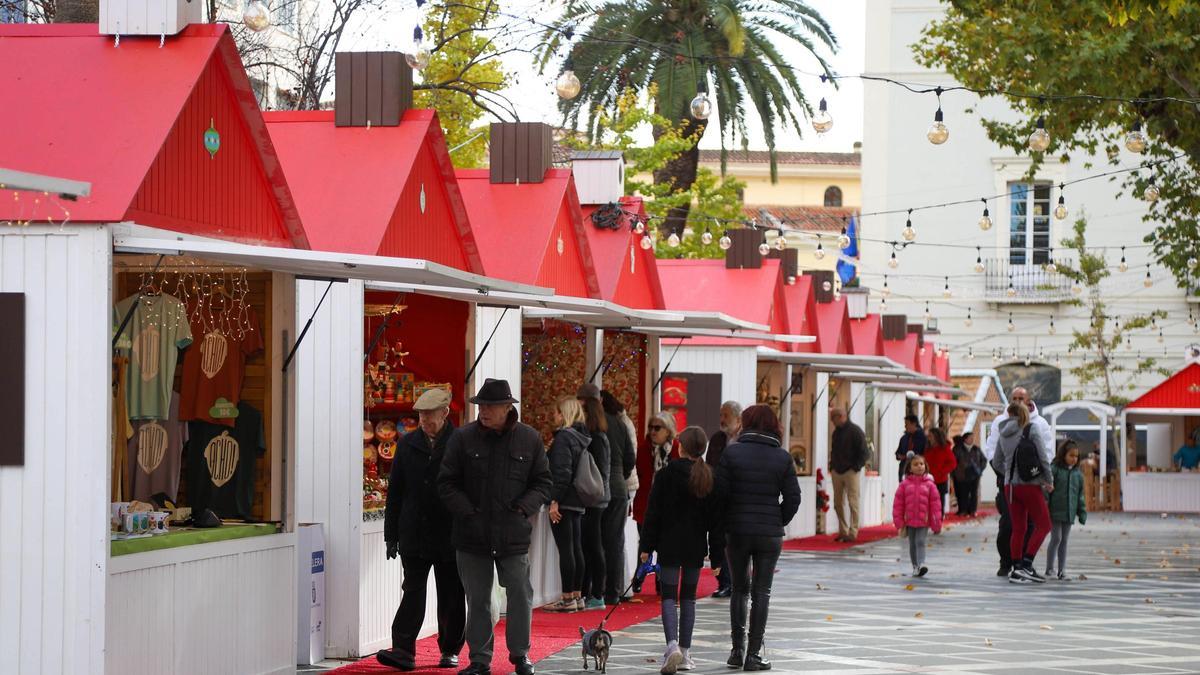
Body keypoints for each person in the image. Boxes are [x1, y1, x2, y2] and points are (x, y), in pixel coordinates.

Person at [437, 379, 551, 675]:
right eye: (481, 406)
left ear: (506, 408)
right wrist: (468, 513)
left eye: (489, 406)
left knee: (520, 595)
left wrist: (523, 508)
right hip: (471, 535)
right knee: (478, 600)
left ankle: (520, 655)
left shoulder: (529, 439)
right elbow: (446, 483)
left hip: (513, 533)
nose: (483, 411)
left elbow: (543, 482)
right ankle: (479, 660)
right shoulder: (463, 439)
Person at [379, 389, 465, 671]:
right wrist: (391, 535)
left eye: (430, 415)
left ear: (444, 413)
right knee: (412, 590)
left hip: (450, 532)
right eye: (421, 415)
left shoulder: (460, 443)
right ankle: (403, 649)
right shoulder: (407, 445)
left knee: (451, 593)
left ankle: (450, 648)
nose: (425, 420)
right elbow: (396, 493)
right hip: (414, 530)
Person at [717, 405, 802, 672]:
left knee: (739, 589)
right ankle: (754, 654)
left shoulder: (731, 453)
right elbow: (793, 498)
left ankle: (736, 650)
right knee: (761, 591)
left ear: (746, 423)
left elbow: (720, 493)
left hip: (738, 531)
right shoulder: (782, 457)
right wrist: (778, 519)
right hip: (768, 533)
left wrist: (729, 520)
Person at [640, 427, 726, 674]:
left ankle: (672, 646)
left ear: (681, 447)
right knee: (688, 598)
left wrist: (646, 547)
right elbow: (717, 523)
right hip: (695, 547)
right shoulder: (710, 477)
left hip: (668, 544)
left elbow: (653, 513)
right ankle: (686, 654)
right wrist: (717, 556)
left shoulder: (666, 475)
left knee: (668, 597)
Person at [984, 387, 1053, 576]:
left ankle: (1018, 566)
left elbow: (996, 458)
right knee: (1040, 525)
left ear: (1027, 399)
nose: (1017, 400)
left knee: (1020, 526)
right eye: (1014, 398)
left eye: (1020, 398)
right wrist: (1047, 479)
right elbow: (1044, 456)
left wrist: (1007, 473)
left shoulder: (1008, 427)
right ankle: (1024, 563)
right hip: (1028, 484)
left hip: (1010, 484)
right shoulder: (1029, 426)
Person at [543, 397, 592, 613]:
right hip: (577, 498)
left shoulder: (564, 437)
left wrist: (554, 500)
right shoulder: (581, 436)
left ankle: (567, 597)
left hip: (564, 498)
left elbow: (562, 472)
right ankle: (577, 595)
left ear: (564, 414)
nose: (553, 416)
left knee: (567, 549)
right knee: (575, 547)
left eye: (556, 412)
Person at [599, 390, 637, 606]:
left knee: (599, 541)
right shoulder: (621, 423)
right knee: (615, 541)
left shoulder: (596, 425)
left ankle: (601, 589)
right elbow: (630, 457)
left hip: (602, 489)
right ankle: (614, 591)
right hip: (620, 488)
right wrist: (620, 477)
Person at [576, 385, 612, 610]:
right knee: (591, 545)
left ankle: (597, 592)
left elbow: (597, 471)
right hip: (597, 497)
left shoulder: (595, 439)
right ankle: (592, 591)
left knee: (592, 545)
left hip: (593, 498)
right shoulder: (599, 436)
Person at [707, 400, 742, 597]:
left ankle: (733, 582)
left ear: (738, 418)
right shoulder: (717, 439)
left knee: (735, 542)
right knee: (718, 541)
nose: (721, 419)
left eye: (725, 415)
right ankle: (723, 582)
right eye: (721, 415)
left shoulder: (745, 438)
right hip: (718, 496)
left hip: (738, 497)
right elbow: (710, 465)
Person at [892, 455, 943, 577]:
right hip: (909, 520)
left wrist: (936, 521)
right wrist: (899, 520)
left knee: (920, 541)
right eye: (916, 464)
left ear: (925, 467)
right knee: (912, 544)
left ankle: (921, 564)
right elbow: (898, 504)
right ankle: (915, 566)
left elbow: (935, 505)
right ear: (909, 468)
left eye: (921, 464)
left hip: (923, 521)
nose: (919, 466)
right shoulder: (904, 485)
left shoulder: (930, 485)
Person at [1046, 440, 1087, 580]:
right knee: (1056, 538)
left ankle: (1062, 570)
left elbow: (1080, 495)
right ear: (1063, 454)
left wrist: (1082, 512)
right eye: (1071, 455)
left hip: (1069, 513)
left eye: (1076, 456)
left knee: (1064, 540)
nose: (1074, 459)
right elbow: (1047, 491)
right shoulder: (1055, 470)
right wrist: (1045, 507)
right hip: (1055, 511)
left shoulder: (1078, 475)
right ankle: (1050, 568)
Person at [829, 407, 869, 543]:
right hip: (837, 470)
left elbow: (864, 452)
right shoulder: (836, 433)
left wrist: (856, 467)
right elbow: (833, 450)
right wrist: (832, 465)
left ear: (841, 416)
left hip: (851, 471)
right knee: (838, 503)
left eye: (832, 419)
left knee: (853, 502)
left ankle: (853, 531)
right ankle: (843, 530)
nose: (831, 422)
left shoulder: (855, 431)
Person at [633, 411, 678, 524]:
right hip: (646, 508)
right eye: (650, 427)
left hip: (671, 509)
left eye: (657, 428)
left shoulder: (679, 450)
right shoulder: (643, 450)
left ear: (668, 431)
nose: (652, 431)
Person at [923, 427, 957, 518]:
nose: (929, 438)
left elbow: (952, 463)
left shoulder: (945, 449)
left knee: (939, 501)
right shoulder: (927, 449)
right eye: (928, 436)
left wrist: (942, 471)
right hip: (928, 479)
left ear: (936, 437)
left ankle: (939, 518)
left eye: (930, 436)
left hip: (940, 479)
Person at [951, 432, 986, 516]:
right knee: (963, 493)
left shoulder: (976, 449)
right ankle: (963, 510)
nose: (972, 439)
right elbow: (953, 462)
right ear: (965, 439)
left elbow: (983, 460)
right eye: (970, 438)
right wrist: (955, 473)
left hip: (975, 473)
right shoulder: (958, 449)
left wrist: (980, 469)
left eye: (972, 437)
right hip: (962, 474)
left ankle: (973, 510)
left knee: (974, 493)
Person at [894, 414, 927, 480]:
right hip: (904, 470)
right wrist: (899, 456)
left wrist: (907, 456)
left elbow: (920, 453)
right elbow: (898, 452)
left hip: (917, 471)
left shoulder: (923, 438)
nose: (905, 426)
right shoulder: (904, 438)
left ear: (914, 424)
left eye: (907, 424)